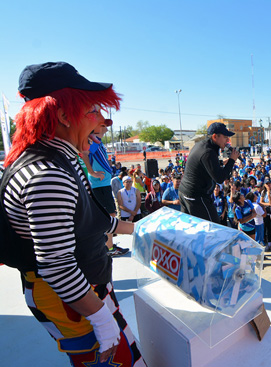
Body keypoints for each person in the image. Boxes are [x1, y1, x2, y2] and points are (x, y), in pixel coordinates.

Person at [0, 62, 145, 365]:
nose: (100, 121)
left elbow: (85, 220)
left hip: (83, 290)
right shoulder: (48, 174)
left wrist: (137, 229)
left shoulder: (57, 157)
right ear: (64, 115)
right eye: (93, 111)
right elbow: (57, 266)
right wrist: (102, 321)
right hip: (74, 299)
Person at [83, 122, 129, 256]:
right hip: (100, 184)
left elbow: (104, 128)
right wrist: (92, 172)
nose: (105, 127)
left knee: (108, 215)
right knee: (109, 215)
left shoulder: (96, 139)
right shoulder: (92, 140)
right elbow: (85, 155)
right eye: (100, 124)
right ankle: (109, 247)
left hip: (103, 183)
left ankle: (108, 245)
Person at [179, 122, 239, 223]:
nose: (228, 140)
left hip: (185, 192)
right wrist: (232, 160)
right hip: (195, 196)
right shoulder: (208, 152)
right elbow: (219, 178)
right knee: (213, 227)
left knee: (190, 227)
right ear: (215, 136)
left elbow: (204, 164)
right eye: (225, 137)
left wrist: (221, 162)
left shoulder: (202, 145)